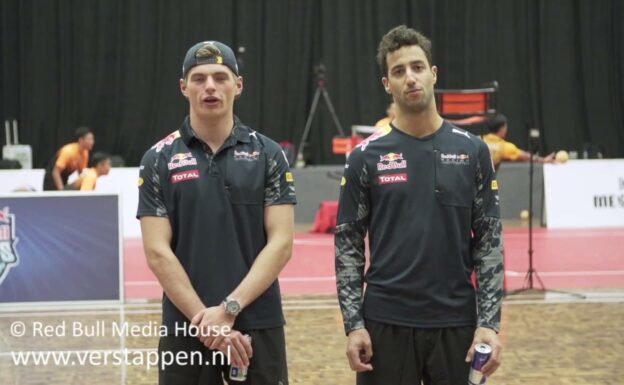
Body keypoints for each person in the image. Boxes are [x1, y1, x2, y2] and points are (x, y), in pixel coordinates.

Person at [335, 25, 504, 385]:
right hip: (385, 326)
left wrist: (489, 324)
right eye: (398, 71)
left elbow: (489, 243)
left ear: (433, 74)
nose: (410, 78)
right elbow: (347, 247)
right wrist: (354, 325)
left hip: (457, 325)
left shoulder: (474, 151)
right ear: (387, 83)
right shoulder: (364, 158)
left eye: (417, 67)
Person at [137, 40, 296, 385]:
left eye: (220, 77)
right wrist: (207, 321)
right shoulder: (157, 159)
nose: (210, 86)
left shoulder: (269, 154)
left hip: (258, 323)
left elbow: (281, 243)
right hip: (186, 325)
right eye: (199, 78)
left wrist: (229, 311)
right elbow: (156, 251)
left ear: (238, 85)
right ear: (184, 87)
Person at [483, 113, 555, 170]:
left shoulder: (478, 141)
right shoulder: (505, 147)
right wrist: (544, 160)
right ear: (502, 128)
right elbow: (525, 156)